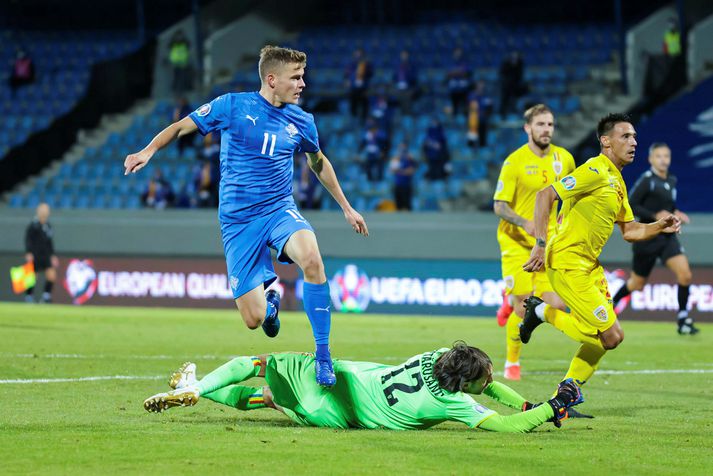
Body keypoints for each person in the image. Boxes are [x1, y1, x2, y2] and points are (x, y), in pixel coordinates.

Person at [124, 45, 369, 387]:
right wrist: (147, 150)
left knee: (312, 259)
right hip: (238, 221)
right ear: (272, 79)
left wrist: (346, 206)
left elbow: (317, 161)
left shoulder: (303, 121)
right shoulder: (232, 106)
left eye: (303, 77)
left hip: (279, 209)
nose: (302, 84)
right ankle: (270, 300)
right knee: (253, 321)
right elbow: (181, 127)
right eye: (295, 78)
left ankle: (323, 357)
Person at [520, 113, 680, 389]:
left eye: (635, 137)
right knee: (610, 336)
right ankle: (541, 312)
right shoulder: (594, 170)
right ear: (606, 141)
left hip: (590, 265)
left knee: (606, 340)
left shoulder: (617, 183)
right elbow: (545, 195)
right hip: (568, 261)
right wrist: (539, 244)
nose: (633, 142)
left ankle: (566, 394)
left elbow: (630, 231)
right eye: (625, 136)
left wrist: (658, 225)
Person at [143, 341, 584, 433]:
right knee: (269, 398)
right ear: (466, 381)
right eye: (486, 374)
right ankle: (193, 387)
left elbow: (486, 385)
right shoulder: (454, 404)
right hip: (335, 415)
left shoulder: (434, 358)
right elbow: (507, 426)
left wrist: (529, 401)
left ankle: (197, 387)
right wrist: (550, 406)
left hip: (341, 381)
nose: (491, 381)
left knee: (258, 363)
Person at [492, 104, 575, 380]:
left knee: (557, 302)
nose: (546, 130)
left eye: (550, 124)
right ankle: (512, 363)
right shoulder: (514, 162)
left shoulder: (565, 159)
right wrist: (525, 222)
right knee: (523, 305)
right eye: (540, 125)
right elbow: (499, 206)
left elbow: (573, 197)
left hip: (548, 241)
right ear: (527, 128)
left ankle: (509, 298)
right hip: (516, 241)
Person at [611, 143, 698, 335]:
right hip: (647, 237)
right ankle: (612, 304)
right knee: (636, 284)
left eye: (666, 156)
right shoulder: (647, 180)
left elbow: (668, 206)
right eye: (658, 156)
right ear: (650, 159)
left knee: (685, 274)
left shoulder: (672, 180)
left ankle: (683, 319)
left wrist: (677, 213)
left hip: (667, 238)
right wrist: (655, 213)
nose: (663, 160)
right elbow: (631, 205)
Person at [24, 203, 58, 304]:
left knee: (52, 275)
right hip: (35, 254)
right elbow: (28, 240)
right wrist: (29, 252)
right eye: (43, 209)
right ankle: (29, 296)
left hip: (46, 255)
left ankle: (46, 296)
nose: (45, 212)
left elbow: (50, 242)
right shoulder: (33, 225)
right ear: (38, 211)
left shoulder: (48, 226)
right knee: (33, 276)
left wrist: (52, 255)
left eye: (46, 210)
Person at [344, 48, 373, 122]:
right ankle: (353, 117)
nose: (358, 56)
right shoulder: (351, 65)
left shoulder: (367, 65)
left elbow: (370, 74)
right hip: (354, 88)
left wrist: (364, 68)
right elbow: (346, 75)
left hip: (363, 88)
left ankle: (364, 118)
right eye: (356, 54)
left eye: (359, 54)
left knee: (364, 99)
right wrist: (348, 80)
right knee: (353, 97)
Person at [389, 142, 417, 211]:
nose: (402, 149)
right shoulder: (396, 158)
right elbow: (392, 170)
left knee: (407, 206)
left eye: (403, 147)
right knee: (398, 207)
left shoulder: (410, 158)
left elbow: (411, 171)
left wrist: (399, 171)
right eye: (400, 148)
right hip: (398, 185)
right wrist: (403, 171)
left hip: (406, 186)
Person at [499, 52, 525, 118]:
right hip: (506, 86)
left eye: (516, 56)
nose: (514, 58)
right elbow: (502, 73)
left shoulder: (520, 64)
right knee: (505, 100)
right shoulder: (506, 64)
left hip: (516, 86)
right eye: (513, 56)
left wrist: (515, 66)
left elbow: (520, 75)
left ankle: (515, 111)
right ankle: (503, 114)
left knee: (516, 99)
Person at [446, 47, 471, 116]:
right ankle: (453, 119)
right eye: (456, 52)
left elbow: (466, 73)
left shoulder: (465, 62)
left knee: (465, 109)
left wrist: (455, 72)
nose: (458, 54)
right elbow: (449, 74)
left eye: (459, 52)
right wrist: (459, 72)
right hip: (453, 90)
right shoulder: (450, 62)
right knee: (453, 109)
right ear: (454, 53)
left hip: (463, 90)